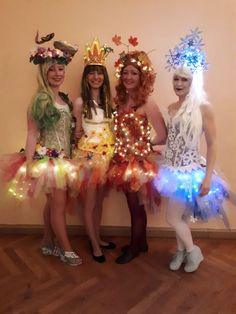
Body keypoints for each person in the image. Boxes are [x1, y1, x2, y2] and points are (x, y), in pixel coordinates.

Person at [2, 33, 82, 266]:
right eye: (52, 70)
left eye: (61, 69)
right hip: (48, 159)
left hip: (63, 158)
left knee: (53, 204)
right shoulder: (40, 100)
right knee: (58, 204)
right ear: (44, 72)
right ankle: (65, 249)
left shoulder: (62, 99)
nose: (58, 73)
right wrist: (29, 164)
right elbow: (32, 133)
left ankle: (48, 241)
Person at [154, 29, 229, 272]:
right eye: (176, 79)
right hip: (171, 169)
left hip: (190, 171)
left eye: (184, 79)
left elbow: (213, 143)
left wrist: (208, 176)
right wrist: (149, 143)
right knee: (182, 218)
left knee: (172, 218)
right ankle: (181, 252)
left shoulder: (204, 108)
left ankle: (193, 251)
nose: (178, 84)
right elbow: (169, 138)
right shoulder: (171, 107)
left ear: (193, 80)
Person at [109, 35, 167, 264]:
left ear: (142, 76)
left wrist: (145, 146)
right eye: (125, 73)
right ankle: (141, 242)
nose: (128, 77)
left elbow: (163, 134)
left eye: (133, 73)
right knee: (133, 203)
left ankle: (134, 247)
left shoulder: (147, 103)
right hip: (121, 160)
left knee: (136, 205)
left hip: (138, 163)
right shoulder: (121, 101)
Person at [72, 39, 115, 263]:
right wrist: (76, 135)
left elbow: (111, 129)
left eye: (99, 73)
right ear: (86, 77)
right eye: (91, 73)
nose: (95, 77)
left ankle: (97, 236)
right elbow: (77, 132)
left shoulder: (108, 102)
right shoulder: (80, 102)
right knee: (89, 203)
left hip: (106, 158)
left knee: (99, 202)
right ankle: (94, 244)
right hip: (88, 159)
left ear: (104, 76)